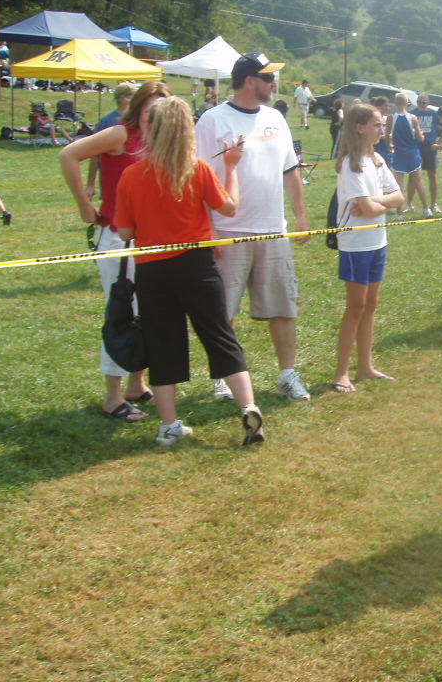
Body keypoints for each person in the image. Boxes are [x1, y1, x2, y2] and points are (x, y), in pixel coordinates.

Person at [114, 97, 264, 446]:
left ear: (151, 129)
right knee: (221, 338)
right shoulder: (198, 169)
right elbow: (229, 207)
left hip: (153, 270)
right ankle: (248, 408)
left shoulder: (132, 175)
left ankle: (168, 425)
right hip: (197, 266)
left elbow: (124, 232)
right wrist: (231, 168)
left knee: (163, 344)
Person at [194, 52, 312, 402]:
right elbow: (198, 179)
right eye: (269, 78)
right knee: (223, 311)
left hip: (273, 230)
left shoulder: (276, 117)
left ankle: (287, 375)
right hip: (227, 232)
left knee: (282, 305)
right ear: (249, 81)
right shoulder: (213, 120)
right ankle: (223, 376)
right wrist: (209, 230)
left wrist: (301, 216)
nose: (275, 83)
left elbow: (290, 170)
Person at [59, 80, 173, 421]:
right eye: (150, 108)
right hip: (119, 240)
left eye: (162, 108)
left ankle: (136, 385)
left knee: (148, 313)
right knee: (122, 314)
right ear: (138, 107)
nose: (155, 115)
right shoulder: (121, 134)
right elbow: (68, 155)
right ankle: (112, 397)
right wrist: (84, 206)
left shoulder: (163, 140)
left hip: (154, 240)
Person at [329, 103, 403, 394]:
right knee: (356, 307)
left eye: (382, 125)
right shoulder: (351, 164)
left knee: (370, 305)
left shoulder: (377, 160)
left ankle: (365, 367)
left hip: (377, 241)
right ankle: (341, 372)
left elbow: (397, 198)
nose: (382, 130)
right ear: (359, 127)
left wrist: (377, 202)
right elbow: (369, 208)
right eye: (377, 125)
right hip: (355, 245)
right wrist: (378, 204)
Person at [86, 81, 138, 200]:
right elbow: (95, 155)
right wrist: (90, 184)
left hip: (135, 181)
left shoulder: (139, 119)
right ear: (124, 98)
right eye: (134, 95)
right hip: (112, 181)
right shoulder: (107, 121)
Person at [386, 92, 428, 219]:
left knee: (398, 186)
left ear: (395, 103)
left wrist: (390, 145)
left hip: (399, 154)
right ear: (407, 103)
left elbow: (387, 136)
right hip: (413, 153)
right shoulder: (413, 118)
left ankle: (399, 214)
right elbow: (420, 138)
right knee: (418, 182)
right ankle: (426, 209)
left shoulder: (391, 118)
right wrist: (422, 134)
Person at [412, 93, 442, 213]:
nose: (421, 104)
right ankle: (410, 204)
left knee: (432, 175)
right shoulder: (412, 113)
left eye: (423, 102)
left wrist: (440, 140)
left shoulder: (433, 113)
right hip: (416, 146)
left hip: (430, 147)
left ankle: (434, 204)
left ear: (428, 103)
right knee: (413, 176)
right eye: (419, 102)